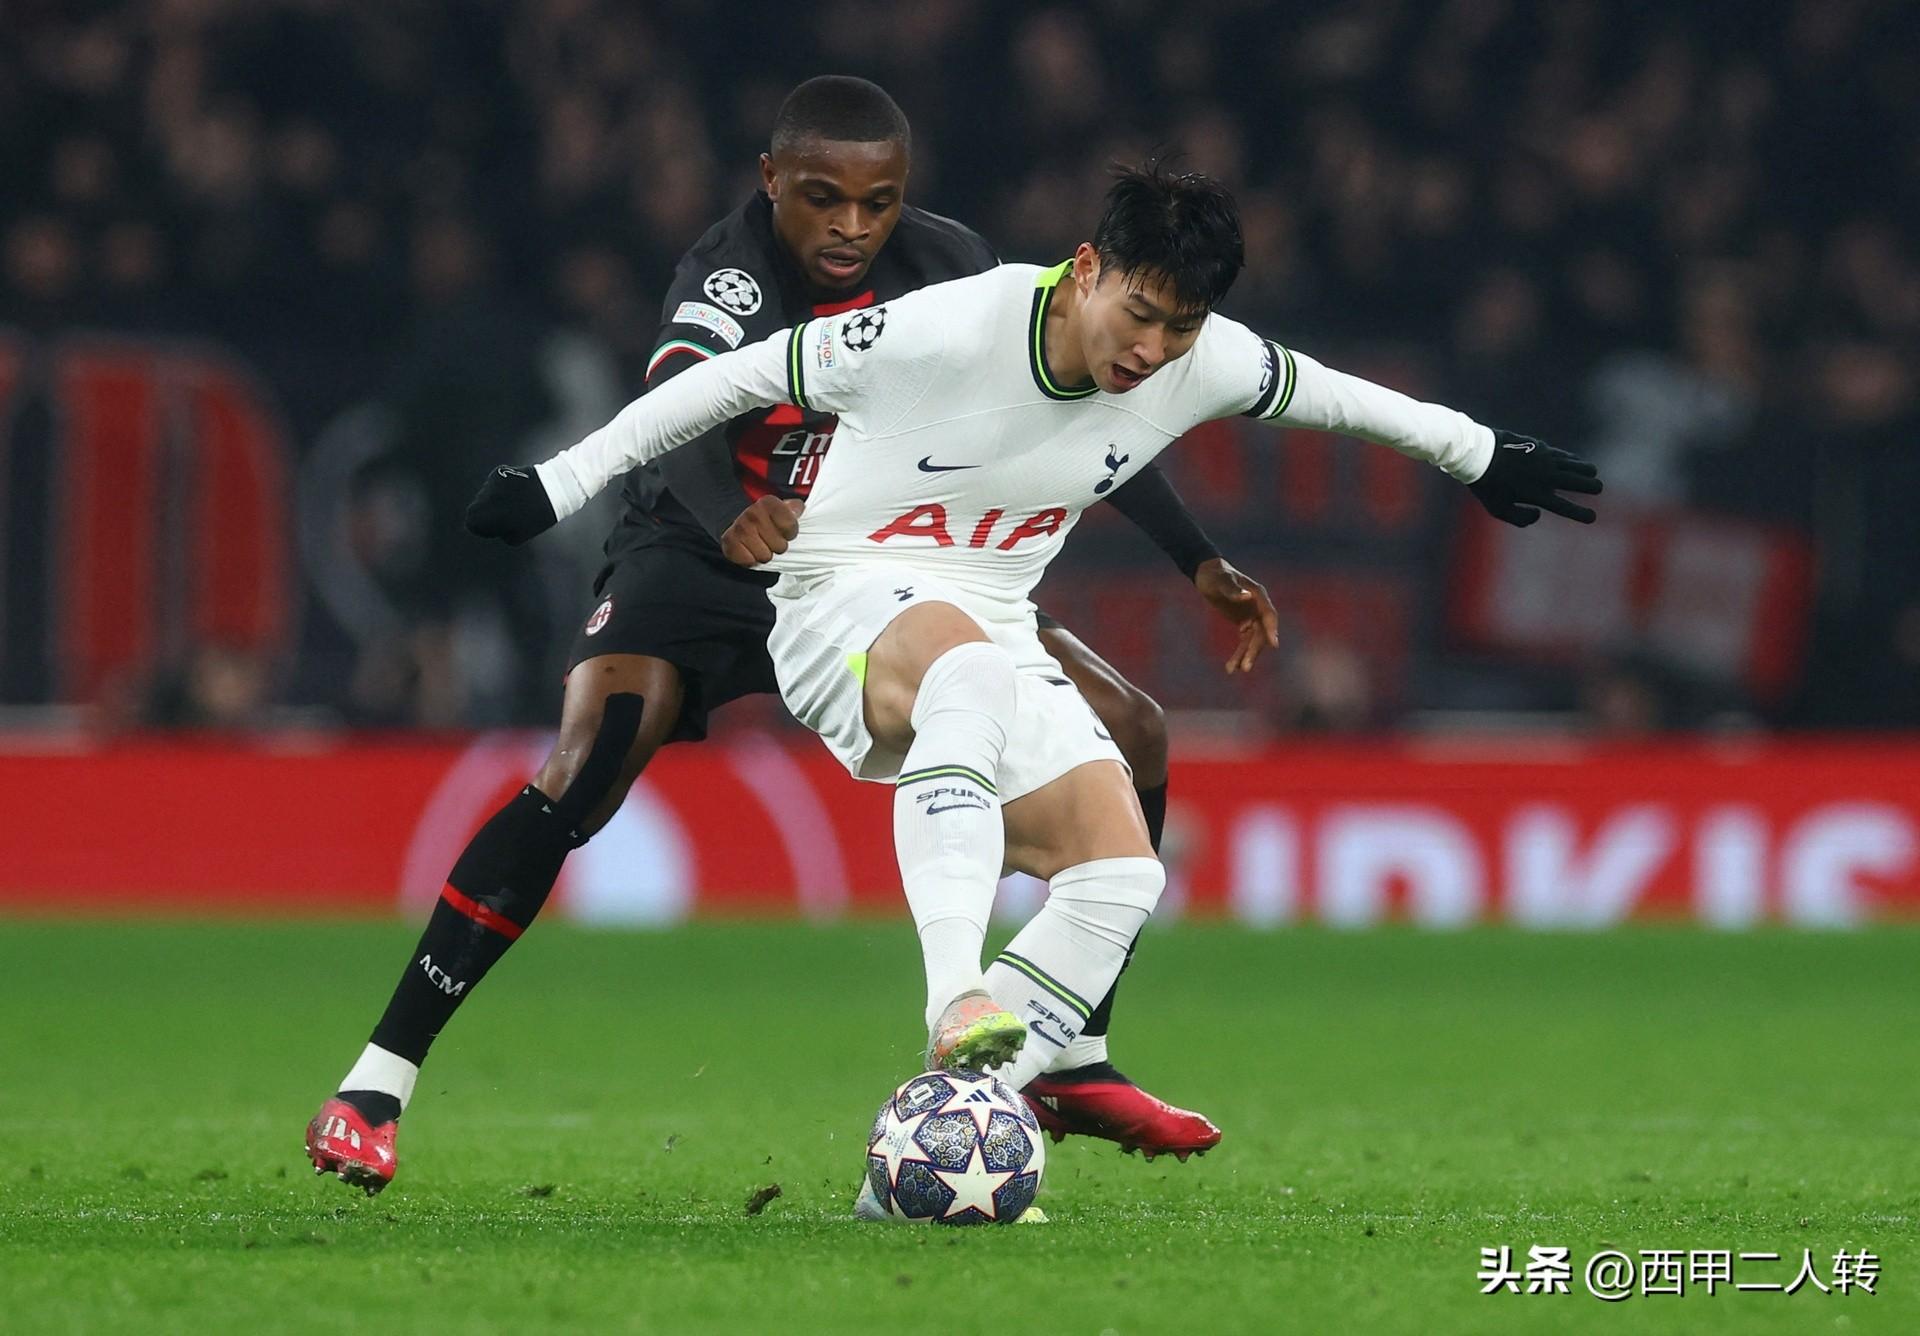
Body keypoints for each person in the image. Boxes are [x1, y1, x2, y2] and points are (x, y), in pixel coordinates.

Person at [465, 161, 1603, 1194]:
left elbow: (1344, 398)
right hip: (836, 598)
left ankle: (929, 1151)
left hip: (995, 617)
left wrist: (1481, 454)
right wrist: (560, 483)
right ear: (1088, 269)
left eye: (1180, 328)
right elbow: (731, 380)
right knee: (961, 671)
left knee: (1122, 875)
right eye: (1139, 314)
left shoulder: (1205, 359)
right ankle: (955, 994)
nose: (1151, 350)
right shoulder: (952, 324)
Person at [305, 79, 1270, 1195]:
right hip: (698, 551)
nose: (852, 227)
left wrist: (1196, 556)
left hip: (891, 557)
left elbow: (1086, 417)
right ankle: (378, 1080)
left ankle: (1072, 1056)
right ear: (772, 183)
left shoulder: (954, 267)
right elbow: (683, 405)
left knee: (1132, 729)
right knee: (588, 759)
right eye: (823, 199)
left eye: (877, 203)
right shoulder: (728, 277)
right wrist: (730, 512)